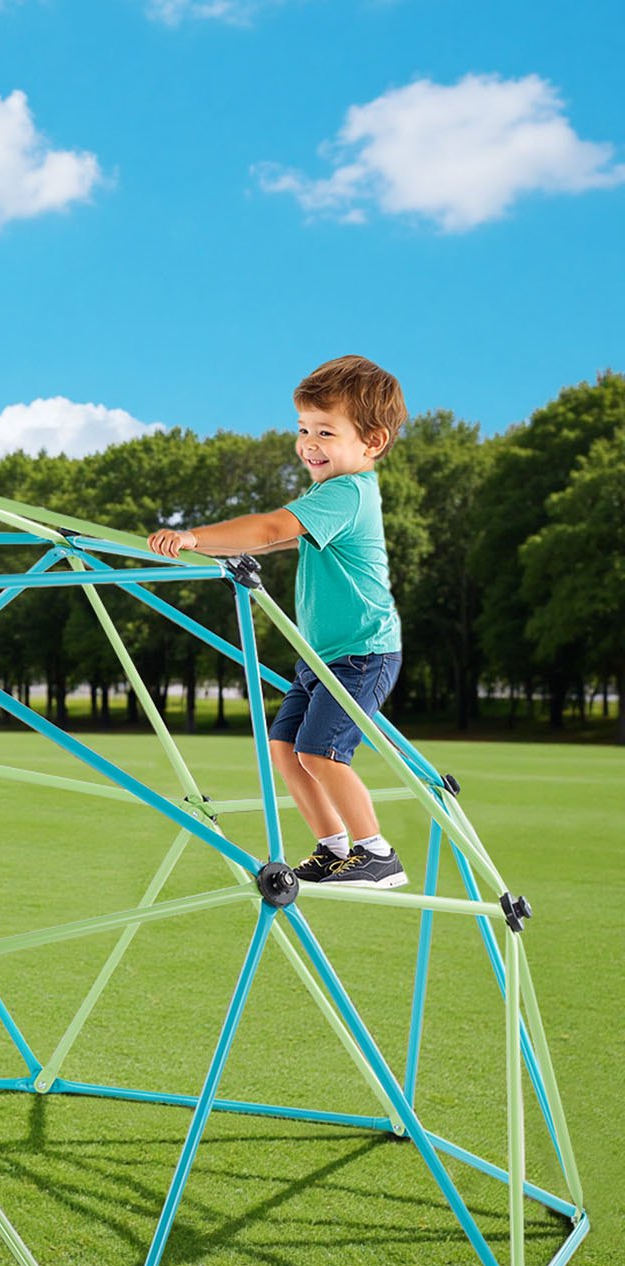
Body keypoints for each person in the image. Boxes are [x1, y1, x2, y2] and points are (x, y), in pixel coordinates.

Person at [147, 354, 409, 888]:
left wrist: (195, 536)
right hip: (321, 656)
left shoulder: (347, 492)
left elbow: (270, 527)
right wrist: (213, 547)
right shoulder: (327, 497)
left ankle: (376, 853)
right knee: (285, 751)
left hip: (362, 652)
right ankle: (335, 848)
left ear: (372, 442)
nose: (309, 443)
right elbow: (285, 536)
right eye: (303, 429)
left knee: (321, 751)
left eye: (326, 432)